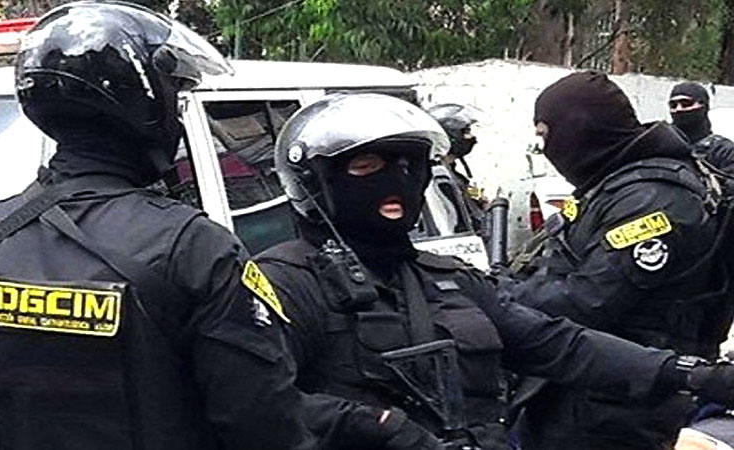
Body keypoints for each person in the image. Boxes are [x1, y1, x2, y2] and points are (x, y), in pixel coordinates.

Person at [0, 3, 392, 449]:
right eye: (176, 97)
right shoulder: (195, 248)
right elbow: (263, 421)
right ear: (143, 100)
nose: (177, 116)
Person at [251, 92, 734, 450]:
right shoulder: (287, 283)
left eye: (408, 165)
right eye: (367, 166)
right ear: (312, 181)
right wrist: (376, 426)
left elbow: (561, 344)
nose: (395, 181)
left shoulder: (445, 279)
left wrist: (689, 373)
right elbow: (250, 398)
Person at [504, 71, 734, 449]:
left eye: (547, 135)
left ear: (580, 129)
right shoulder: (615, 184)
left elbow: (589, 300)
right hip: (584, 385)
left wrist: (501, 301)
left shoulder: (654, 197)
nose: (545, 149)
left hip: (619, 402)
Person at [426, 103, 488, 233]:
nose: (471, 137)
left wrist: (480, 199)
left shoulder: (454, 174)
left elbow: (469, 190)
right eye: (465, 132)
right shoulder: (438, 177)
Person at [669, 81, 734, 172]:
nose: (678, 109)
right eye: (673, 105)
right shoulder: (661, 147)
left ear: (704, 106)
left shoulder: (724, 151)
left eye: (686, 104)